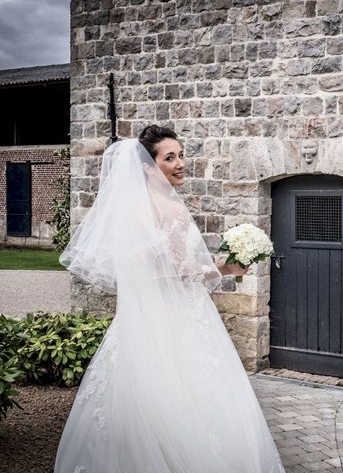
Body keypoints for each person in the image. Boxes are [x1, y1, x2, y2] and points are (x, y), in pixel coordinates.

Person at [55, 126, 285, 472]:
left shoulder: (131, 208)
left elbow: (146, 268)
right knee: (190, 394)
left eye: (181, 154)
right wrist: (225, 267)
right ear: (149, 166)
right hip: (178, 315)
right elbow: (177, 271)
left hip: (141, 318)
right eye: (170, 157)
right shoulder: (169, 209)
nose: (181, 163)